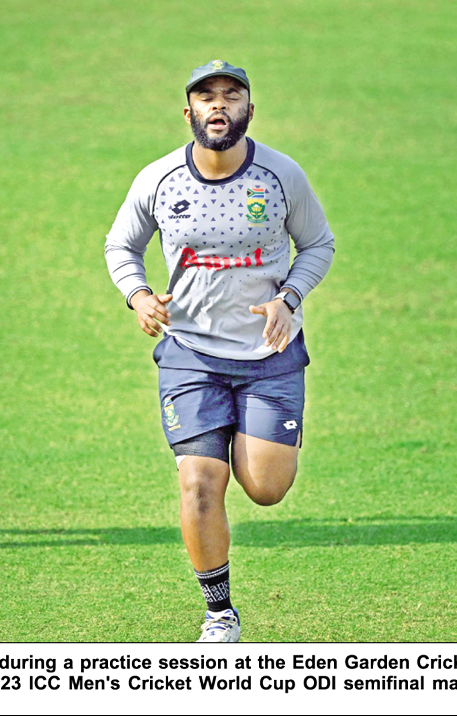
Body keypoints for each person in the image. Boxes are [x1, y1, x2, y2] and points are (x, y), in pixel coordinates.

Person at [105, 60, 334, 641]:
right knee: (199, 483)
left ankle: (256, 432)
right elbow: (120, 246)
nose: (218, 105)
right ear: (189, 113)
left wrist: (288, 297)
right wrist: (138, 295)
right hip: (190, 354)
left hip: (269, 353)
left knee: (265, 487)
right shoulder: (158, 179)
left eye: (231, 96)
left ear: (249, 111)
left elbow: (318, 244)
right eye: (206, 97)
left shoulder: (281, 175)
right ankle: (219, 613)